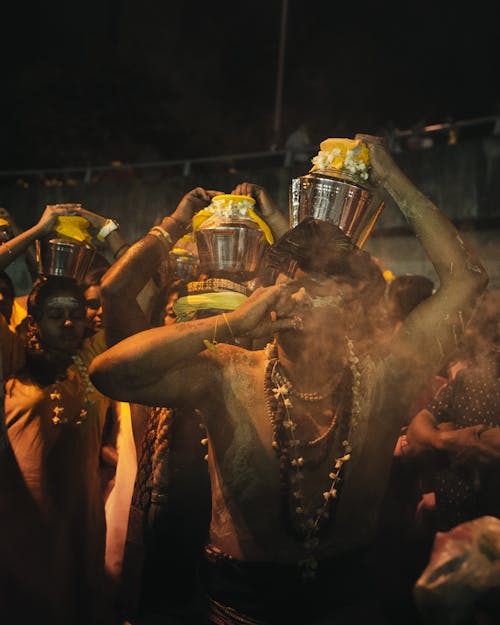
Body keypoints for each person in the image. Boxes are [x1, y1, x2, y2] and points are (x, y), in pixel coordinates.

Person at [89, 134, 488, 625]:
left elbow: (468, 280)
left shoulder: (386, 379)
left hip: (349, 609)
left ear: (355, 303)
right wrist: (227, 324)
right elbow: (109, 371)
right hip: (234, 610)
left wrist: (389, 177)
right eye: (297, 275)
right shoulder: (227, 371)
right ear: (271, 289)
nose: (307, 291)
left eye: (331, 280)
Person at [1, 205, 127, 625]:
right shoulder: (14, 358)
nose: (69, 322)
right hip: (21, 525)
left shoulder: (94, 359)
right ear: (32, 319)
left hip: (81, 524)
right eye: (56, 315)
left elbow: (135, 287)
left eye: (75, 314)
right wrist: (37, 230)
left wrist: (102, 227)